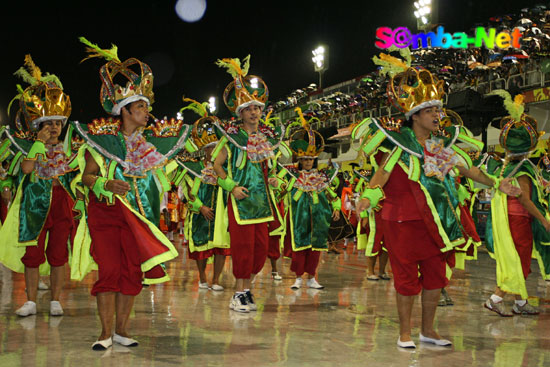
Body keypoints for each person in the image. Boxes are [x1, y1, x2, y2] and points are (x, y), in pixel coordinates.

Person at [355, 49, 519, 349]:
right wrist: (367, 198)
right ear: (414, 115)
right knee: (406, 281)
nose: (437, 116)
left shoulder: (442, 146)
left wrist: (498, 182)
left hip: (437, 224)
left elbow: (469, 170)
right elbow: (381, 174)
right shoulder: (399, 145)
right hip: (402, 223)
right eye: (431, 111)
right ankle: (404, 332)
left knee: (435, 279)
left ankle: (428, 330)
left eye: (438, 111)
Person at [74, 38, 189, 350]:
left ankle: (122, 330)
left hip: (140, 216)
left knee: (132, 275)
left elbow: (172, 169)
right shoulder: (102, 141)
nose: (147, 112)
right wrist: (105, 184)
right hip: (107, 213)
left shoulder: (151, 146)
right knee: (109, 271)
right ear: (124, 111)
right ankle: (104, 333)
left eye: (147, 107)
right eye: (140, 107)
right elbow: (87, 176)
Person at [0, 55, 78, 317]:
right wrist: (38, 143)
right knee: (32, 256)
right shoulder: (27, 146)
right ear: (39, 126)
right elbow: (26, 169)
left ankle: (55, 300)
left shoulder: (70, 148)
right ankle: (31, 301)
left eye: (58, 123)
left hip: (61, 205)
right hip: (33, 205)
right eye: (49, 123)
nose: (54, 128)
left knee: (58, 255)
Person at [212, 55, 286, 313]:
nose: (254, 113)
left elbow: (268, 167)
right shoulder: (231, 139)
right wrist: (231, 186)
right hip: (241, 202)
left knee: (259, 251)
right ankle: (239, 294)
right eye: (249, 109)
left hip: (263, 203)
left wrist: (274, 178)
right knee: (243, 251)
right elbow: (216, 166)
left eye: (257, 109)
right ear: (240, 113)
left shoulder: (266, 139)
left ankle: (246, 289)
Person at [483, 90, 550, 316]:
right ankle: (494, 299)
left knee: (518, 259)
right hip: (519, 219)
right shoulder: (523, 169)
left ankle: (520, 302)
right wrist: (544, 221)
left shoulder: (505, 164)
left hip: (510, 220)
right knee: (518, 262)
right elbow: (525, 199)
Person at [281, 108, 341, 290]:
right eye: (305, 159)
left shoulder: (322, 177)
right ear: (300, 159)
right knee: (300, 247)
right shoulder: (292, 176)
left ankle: (312, 277)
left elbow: (332, 194)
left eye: (310, 160)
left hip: (319, 216)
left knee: (316, 248)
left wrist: (336, 207)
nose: (307, 163)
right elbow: (283, 190)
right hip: (300, 217)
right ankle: (298, 277)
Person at [176, 98, 230, 291]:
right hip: (200, 212)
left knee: (221, 247)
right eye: (209, 148)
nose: (212, 151)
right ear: (203, 149)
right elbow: (188, 193)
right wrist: (201, 207)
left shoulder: (226, 170)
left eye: (216, 147)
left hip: (221, 214)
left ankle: (216, 280)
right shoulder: (194, 168)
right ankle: (202, 278)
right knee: (201, 247)